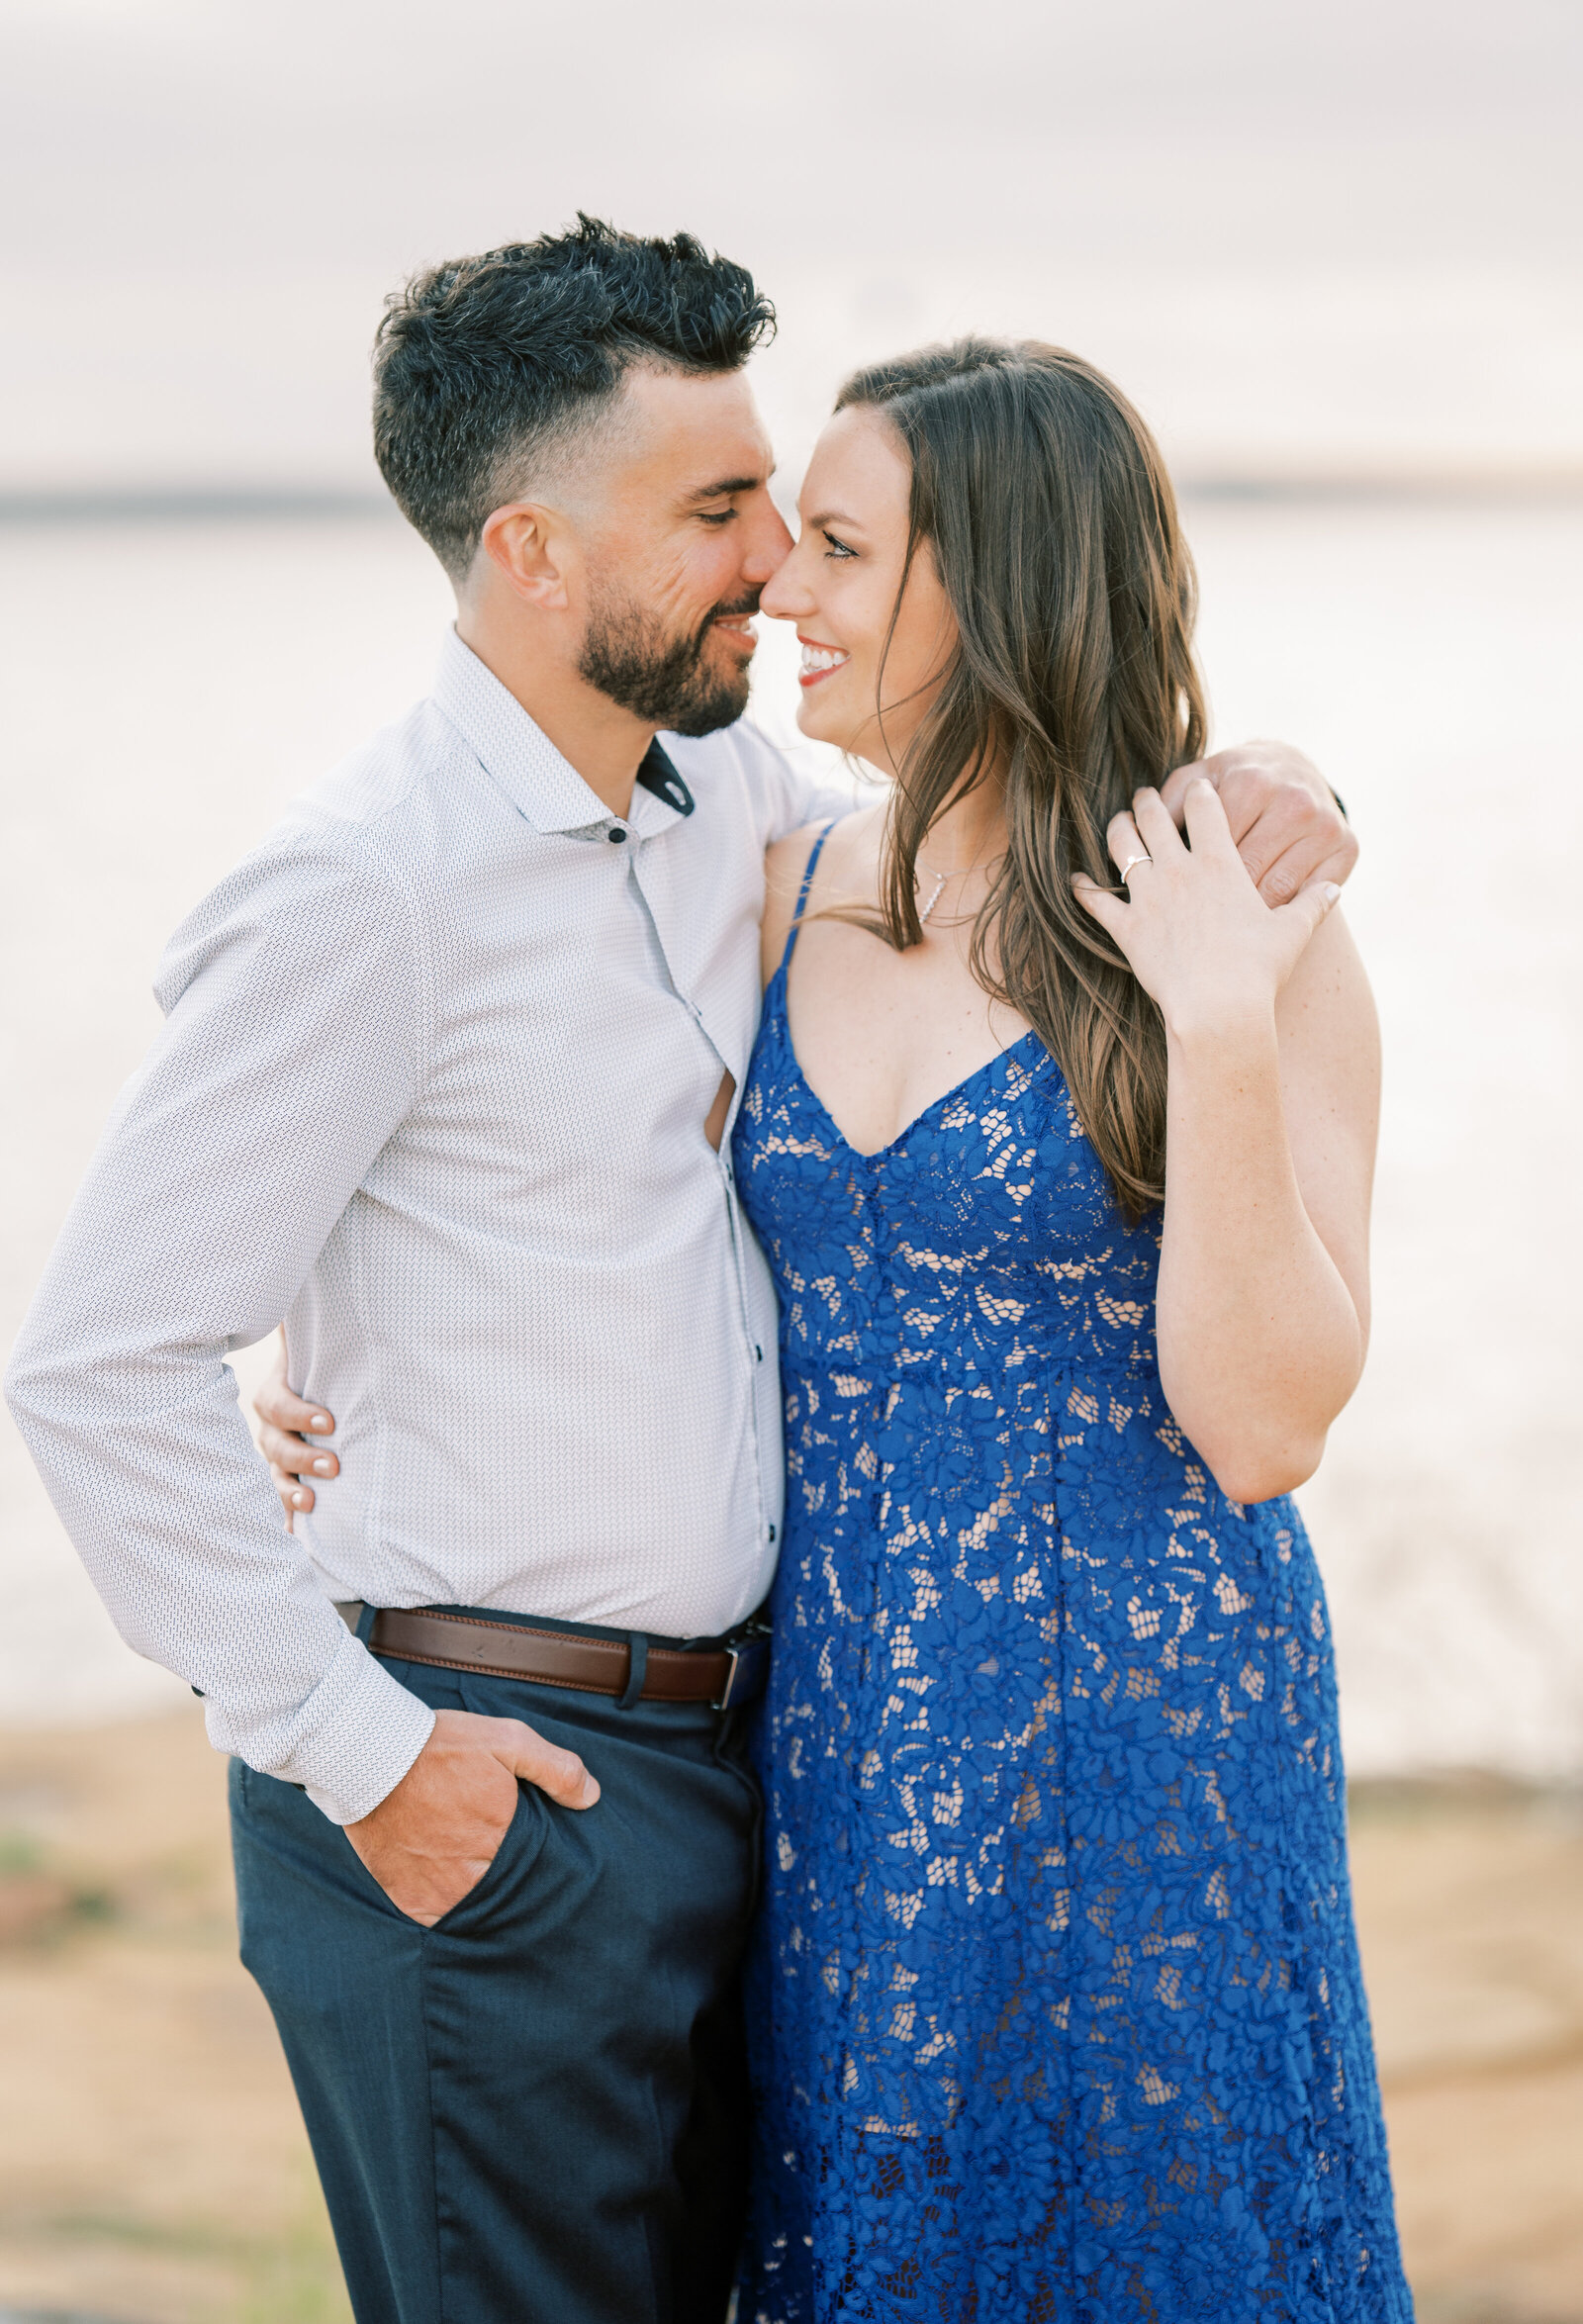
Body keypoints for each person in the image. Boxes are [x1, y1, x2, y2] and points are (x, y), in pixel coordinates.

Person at [7, 213, 1356, 2324]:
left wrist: (1258, 825)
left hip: (867, 1763)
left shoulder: (717, 803)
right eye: (731, 516)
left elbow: (996, 819)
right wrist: (335, 1688)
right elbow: (105, 1345)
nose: (769, 574)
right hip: (531, 1764)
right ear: (534, 551)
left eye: (806, 526)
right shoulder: (440, 882)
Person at [725, 339, 1406, 2318]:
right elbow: (550, 1205)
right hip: (843, 1745)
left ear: (995, 582)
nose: (783, 584)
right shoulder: (769, 887)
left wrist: (1209, 1013)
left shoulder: (1239, 910)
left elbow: (1264, 1420)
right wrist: (328, 1381)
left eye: (842, 550)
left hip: (1151, 1755)